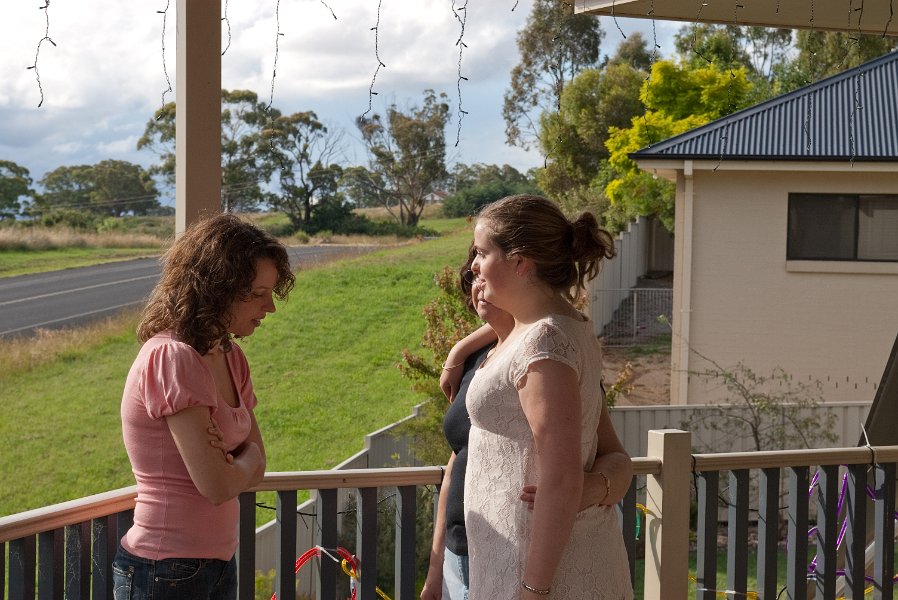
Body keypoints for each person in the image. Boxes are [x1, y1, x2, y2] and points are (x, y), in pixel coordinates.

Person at [421, 244, 633, 600]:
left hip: (525, 554)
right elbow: (458, 459)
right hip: (465, 550)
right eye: (471, 278)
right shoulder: (478, 362)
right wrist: (435, 567)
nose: (478, 283)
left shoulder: (552, 356)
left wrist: (591, 488)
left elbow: (612, 459)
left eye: (482, 271)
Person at [112, 214, 295, 600]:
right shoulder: (172, 357)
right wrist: (238, 464)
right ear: (217, 288)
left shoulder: (231, 357)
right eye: (257, 293)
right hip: (163, 570)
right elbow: (217, 485)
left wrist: (236, 465)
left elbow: (259, 464)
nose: (270, 308)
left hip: (216, 563)